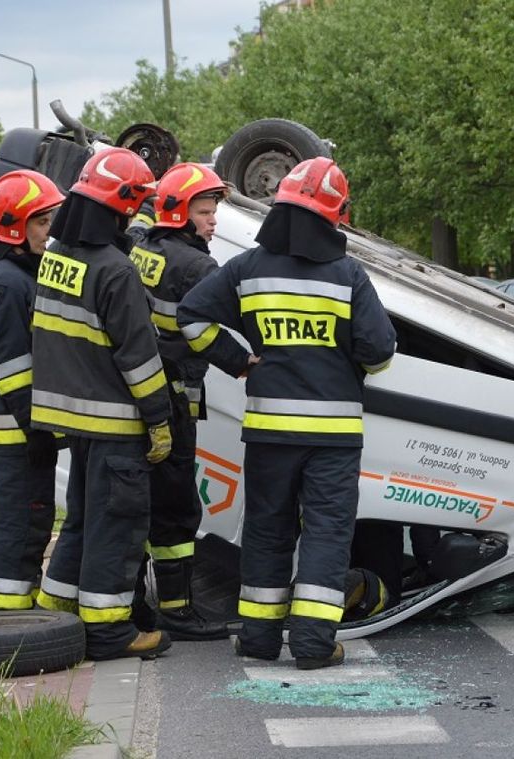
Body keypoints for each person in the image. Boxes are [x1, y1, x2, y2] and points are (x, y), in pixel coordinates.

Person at [177, 157, 397, 669]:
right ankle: (315, 645)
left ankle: (258, 639)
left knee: (267, 530)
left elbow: (190, 315)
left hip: (270, 432)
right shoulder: (347, 275)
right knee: (325, 532)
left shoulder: (248, 268)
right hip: (333, 437)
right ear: (332, 216)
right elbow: (380, 353)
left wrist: (237, 360)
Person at [31, 148, 174, 661]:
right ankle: (110, 632)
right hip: (114, 423)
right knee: (117, 525)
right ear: (124, 205)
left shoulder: (57, 257)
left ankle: (58, 611)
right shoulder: (116, 270)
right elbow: (139, 357)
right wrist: (159, 418)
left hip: (72, 420)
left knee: (82, 521)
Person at [125, 163, 231, 641]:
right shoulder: (198, 266)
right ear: (180, 214)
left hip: (137, 395)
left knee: (137, 506)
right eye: (205, 212)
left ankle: (134, 605)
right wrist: (248, 360)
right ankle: (176, 610)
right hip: (173, 399)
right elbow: (215, 329)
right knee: (177, 508)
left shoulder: (141, 246)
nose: (213, 222)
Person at [0, 169, 65, 612]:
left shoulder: (20, 275)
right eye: (43, 222)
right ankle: (7, 619)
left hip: (23, 431)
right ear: (16, 226)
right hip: (15, 434)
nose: (52, 232)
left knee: (34, 521)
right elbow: (10, 368)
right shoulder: (8, 283)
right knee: (16, 524)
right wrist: (38, 425)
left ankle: (23, 606)